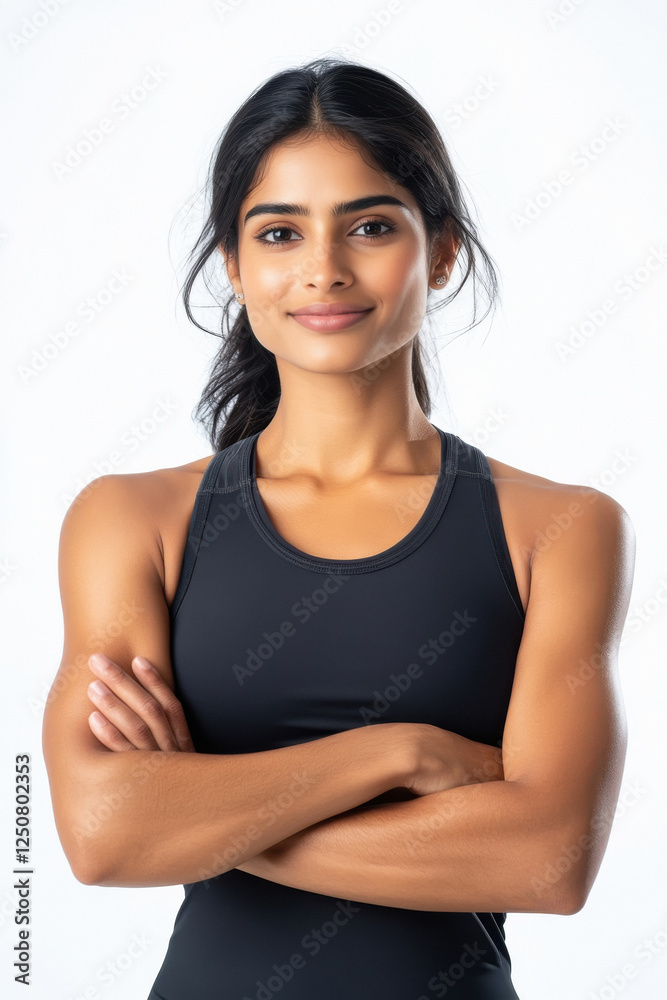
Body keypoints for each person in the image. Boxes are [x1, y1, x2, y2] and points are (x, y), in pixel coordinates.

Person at [42, 57, 635, 999]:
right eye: (279, 232)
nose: (322, 268)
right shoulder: (132, 520)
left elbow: (548, 861)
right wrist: (402, 753)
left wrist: (200, 811)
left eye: (369, 226)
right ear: (234, 265)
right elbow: (100, 836)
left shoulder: (560, 528)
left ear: (440, 252)